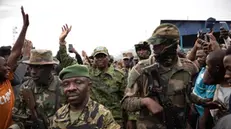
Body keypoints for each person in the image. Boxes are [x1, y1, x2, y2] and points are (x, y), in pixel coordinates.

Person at [121, 23, 199, 129]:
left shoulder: (189, 68)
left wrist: (203, 101)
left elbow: (189, 94)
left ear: (171, 44)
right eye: (153, 44)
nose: (153, 47)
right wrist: (145, 101)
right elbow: (126, 102)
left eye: (158, 44)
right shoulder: (141, 69)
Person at [52, 64, 120, 129]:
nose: (71, 88)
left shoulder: (103, 114)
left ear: (89, 86)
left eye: (78, 82)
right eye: (66, 84)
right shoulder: (59, 114)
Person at [12, 49, 66, 129]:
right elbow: (18, 118)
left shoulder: (63, 87)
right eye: (31, 67)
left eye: (39, 67)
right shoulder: (26, 87)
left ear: (51, 67)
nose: (33, 72)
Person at [0, 6, 29, 129]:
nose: (8, 68)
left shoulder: (6, 80)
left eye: (8, 65)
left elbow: (16, 52)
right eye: (4, 66)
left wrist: (24, 28)